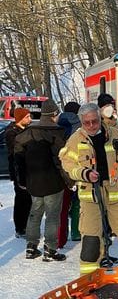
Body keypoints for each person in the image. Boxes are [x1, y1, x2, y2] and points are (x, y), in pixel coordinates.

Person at [59, 103, 118, 274]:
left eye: (94, 121)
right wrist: (84, 173)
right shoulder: (75, 140)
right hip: (91, 197)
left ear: (100, 119)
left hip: (117, 194)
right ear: (81, 123)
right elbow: (67, 164)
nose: (91, 126)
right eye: (87, 123)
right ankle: (89, 276)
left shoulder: (116, 135)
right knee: (91, 239)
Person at [14, 99, 68, 261]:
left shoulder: (28, 132)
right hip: (53, 182)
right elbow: (61, 161)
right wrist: (69, 181)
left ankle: (31, 248)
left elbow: (18, 157)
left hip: (34, 182)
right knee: (52, 216)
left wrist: (22, 180)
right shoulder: (57, 132)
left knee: (35, 213)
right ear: (53, 115)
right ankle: (50, 250)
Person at [57, 101, 82, 247]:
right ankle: (76, 232)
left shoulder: (58, 123)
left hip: (60, 168)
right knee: (78, 201)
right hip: (75, 167)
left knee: (63, 204)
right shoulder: (78, 126)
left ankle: (61, 235)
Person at [6, 107, 32, 238]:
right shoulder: (12, 132)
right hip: (18, 170)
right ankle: (20, 228)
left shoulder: (26, 130)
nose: (30, 119)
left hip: (28, 169)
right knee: (21, 199)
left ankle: (26, 225)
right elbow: (16, 151)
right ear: (20, 118)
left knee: (28, 199)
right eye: (27, 117)